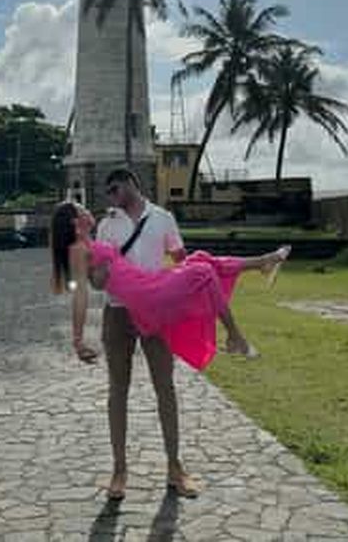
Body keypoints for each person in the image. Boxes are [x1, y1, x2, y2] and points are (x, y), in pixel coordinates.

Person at [49, 177, 291, 501]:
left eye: (114, 189)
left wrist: (181, 279)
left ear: (131, 185)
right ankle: (119, 471)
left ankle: (175, 468)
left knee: (201, 264)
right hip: (123, 312)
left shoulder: (161, 218)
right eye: (83, 206)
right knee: (118, 392)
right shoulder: (95, 235)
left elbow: (177, 256)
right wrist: (78, 338)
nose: (104, 199)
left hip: (154, 298)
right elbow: (84, 290)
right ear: (75, 222)